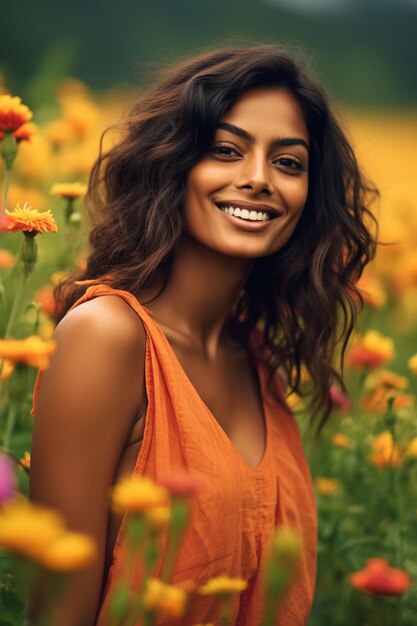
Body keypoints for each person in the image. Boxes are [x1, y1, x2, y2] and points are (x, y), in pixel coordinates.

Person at [29, 45, 377, 626]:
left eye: (289, 163)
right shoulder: (107, 338)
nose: (259, 179)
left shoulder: (257, 361)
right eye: (226, 151)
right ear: (174, 163)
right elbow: (55, 613)